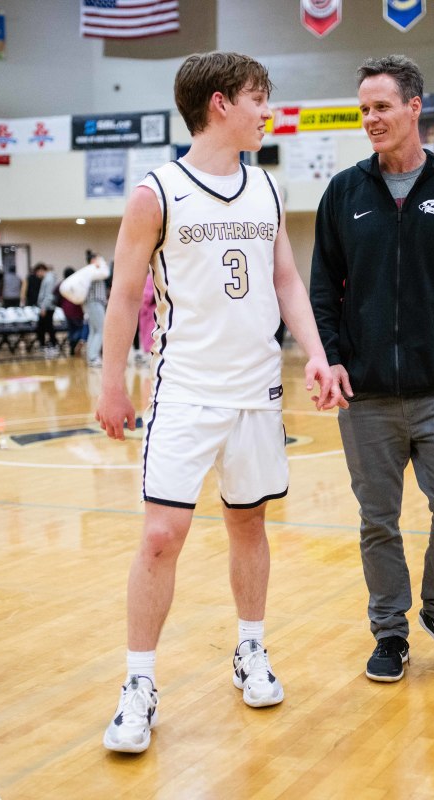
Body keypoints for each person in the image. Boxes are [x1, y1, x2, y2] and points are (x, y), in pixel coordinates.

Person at [95, 51, 338, 754]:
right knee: (161, 535)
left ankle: (250, 649)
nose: (270, 111)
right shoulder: (156, 192)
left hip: (256, 390)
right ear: (220, 105)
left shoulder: (265, 189)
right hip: (185, 390)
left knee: (249, 525)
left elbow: (289, 282)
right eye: (260, 99)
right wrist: (113, 384)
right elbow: (122, 296)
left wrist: (317, 355)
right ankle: (139, 685)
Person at [310, 54, 434, 684]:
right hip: (364, 396)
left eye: (382, 106)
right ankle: (390, 632)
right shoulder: (343, 192)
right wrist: (332, 357)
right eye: (364, 108)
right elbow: (322, 291)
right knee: (378, 521)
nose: (371, 119)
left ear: (415, 107)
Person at [83, 254, 109, 367]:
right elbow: (106, 272)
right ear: (93, 260)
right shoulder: (93, 270)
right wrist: (101, 263)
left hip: (94, 303)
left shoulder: (93, 271)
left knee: (94, 331)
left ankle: (91, 356)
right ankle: (93, 357)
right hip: (95, 302)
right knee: (100, 330)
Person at [33, 263, 60, 357]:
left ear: (41, 270)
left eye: (37, 272)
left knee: (48, 327)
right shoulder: (47, 278)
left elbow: (48, 295)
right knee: (44, 327)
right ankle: (46, 345)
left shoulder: (49, 279)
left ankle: (53, 345)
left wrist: (43, 307)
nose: (37, 275)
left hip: (47, 307)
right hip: (45, 307)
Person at [58, 267, 86, 356]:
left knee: (71, 330)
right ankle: (75, 344)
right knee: (79, 329)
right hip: (76, 310)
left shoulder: (62, 284)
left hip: (66, 310)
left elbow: (55, 295)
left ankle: (72, 348)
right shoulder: (75, 283)